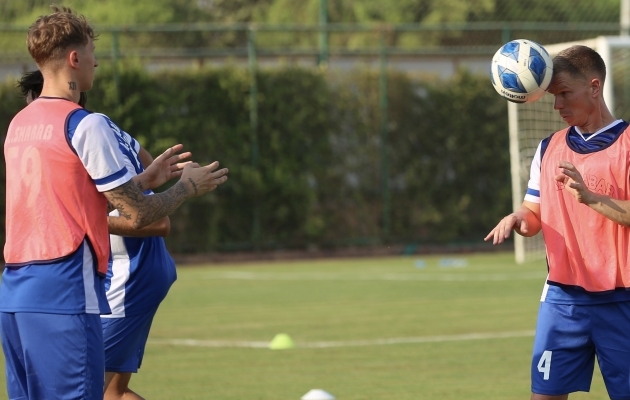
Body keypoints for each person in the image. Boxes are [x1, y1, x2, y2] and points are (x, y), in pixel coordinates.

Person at [1, 6, 228, 400]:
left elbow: (60, 200)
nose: (96, 61)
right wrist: (184, 189)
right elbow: (139, 215)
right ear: (74, 59)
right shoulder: (86, 123)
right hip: (66, 294)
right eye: (90, 52)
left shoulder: (20, 124)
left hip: (14, 295)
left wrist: (141, 180)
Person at [18, 69, 183, 400]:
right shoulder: (102, 126)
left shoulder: (85, 135)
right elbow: (144, 160)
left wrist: (80, 218)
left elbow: (155, 223)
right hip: (132, 273)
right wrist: (146, 182)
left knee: (84, 388)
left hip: (129, 275)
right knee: (112, 392)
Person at [485, 45, 630, 400]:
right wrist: (517, 218)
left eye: (565, 94)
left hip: (622, 301)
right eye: (553, 96)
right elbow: (532, 214)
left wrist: (592, 198)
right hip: (563, 300)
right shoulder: (548, 148)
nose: (557, 105)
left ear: (594, 87)